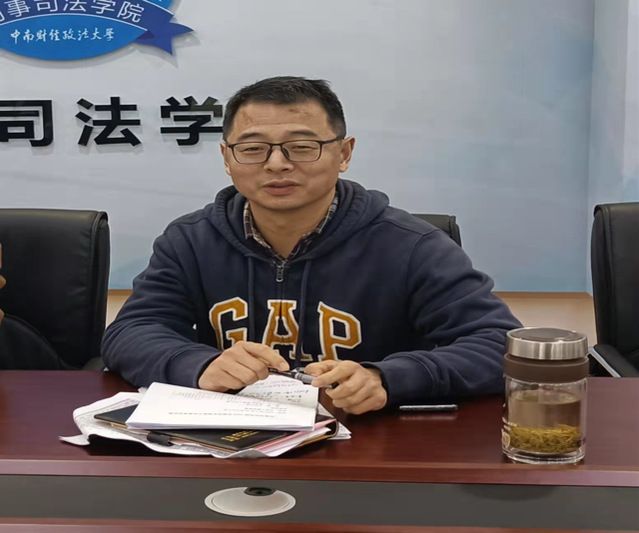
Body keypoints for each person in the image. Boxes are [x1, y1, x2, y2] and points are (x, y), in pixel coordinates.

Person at [102, 76, 521, 414]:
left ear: (344, 153)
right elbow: (131, 332)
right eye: (253, 149)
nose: (277, 164)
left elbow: (498, 344)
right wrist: (200, 365)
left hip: (372, 444)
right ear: (227, 158)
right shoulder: (191, 240)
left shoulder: (412, 245)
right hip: (229, 443)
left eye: (302, 147)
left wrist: (388, 377)